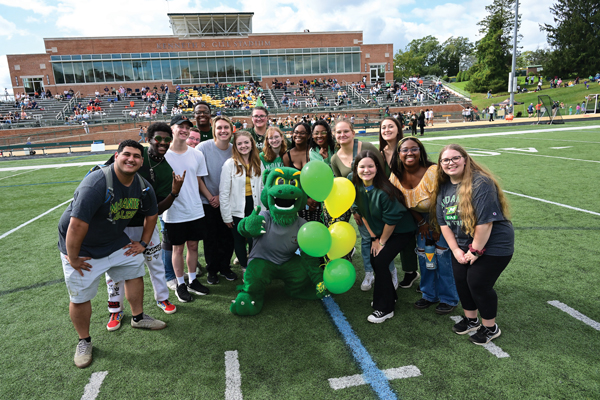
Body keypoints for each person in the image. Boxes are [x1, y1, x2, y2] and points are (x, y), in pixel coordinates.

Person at [58, 140, 165, 368]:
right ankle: (84, 341)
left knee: (134, 270)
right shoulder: (97, 182)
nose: (131, 159)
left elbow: (152, 214)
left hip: (114, 240)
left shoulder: (143, 186)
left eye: (137, 156)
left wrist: (143, 243)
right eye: (126, 154)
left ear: (141, 162)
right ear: (116, 156)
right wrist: (73, 257)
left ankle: (138, 318)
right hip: (82, 247)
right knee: (80, 296)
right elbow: (76, 225)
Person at [105, 123, 184, 331]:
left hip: (146, 224)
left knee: (155, 262)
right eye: (158, 138)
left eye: (167, 139)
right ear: (149, 139)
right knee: (114, 268)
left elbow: (157, 208)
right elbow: (105, 175)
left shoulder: (166, 169)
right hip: (118, 225)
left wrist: (174, 193)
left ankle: (162, 298)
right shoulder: (132, 155)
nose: (163, 143)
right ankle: (115, 309)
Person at [432, 144, 514, 345]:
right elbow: (443, 224)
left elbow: (485, 223)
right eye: (445, 160)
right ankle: (471, 320)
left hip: (494, 243)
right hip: (463, 243)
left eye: (455, 158)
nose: (450, 163)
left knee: (477, 282)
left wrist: (475, 251)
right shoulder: (443, 187)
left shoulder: (481, 182)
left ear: (465, 160)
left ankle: (490, 328)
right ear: (440, 165)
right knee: (461, 279)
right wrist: (455, 250)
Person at [390, 137, 459, 314]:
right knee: (425, 256)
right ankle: (429, 294)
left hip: (442, 216)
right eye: (405, 150)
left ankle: (449, 298)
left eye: (414, 149)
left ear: (420, 152)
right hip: (420, 220)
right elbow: (405, 203)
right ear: (399, 154)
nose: (409, 153)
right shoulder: (395, 175)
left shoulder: (433, 171)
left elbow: (443, 201)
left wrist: (436, 226)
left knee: (442, 256)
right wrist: (421, 222)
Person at [352, 150, 417, 323]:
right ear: (356, 168)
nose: (366, 170)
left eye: (370, 166)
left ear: (377, 167)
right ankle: (389, 296)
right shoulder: (357, 188)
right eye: (362, 166)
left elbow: (392, 221)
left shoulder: (384, 191)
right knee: (375, 259)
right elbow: (363, 214)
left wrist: (381, 242)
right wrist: (374, 238)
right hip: (382, 232)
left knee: (380, 260)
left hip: (401, 231)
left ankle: (385, 308)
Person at [330, 119, 394, 288]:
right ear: (334, 135)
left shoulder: (367, 147)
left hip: (378, 201)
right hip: (359, 206)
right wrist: (354, 209)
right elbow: (342, 187)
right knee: (366, 239)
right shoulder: (335, 159)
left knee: (383, 238)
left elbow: (383, 172)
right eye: (338, 132)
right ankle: (369, 272)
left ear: (353, 132)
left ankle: (391, 272)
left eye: (346, 131)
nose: (342, 135)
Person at [163, 115, 211, 303]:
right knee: (177, 249)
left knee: (193, 246)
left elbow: (198, 180)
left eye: (187, 127)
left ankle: (192, 280)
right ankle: (180, 284)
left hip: (195, 209)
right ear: (172, 129)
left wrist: (209, 197)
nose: (184, 130)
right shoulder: (164, 155)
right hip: (173, 210)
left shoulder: (197, 155)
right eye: (180, 126)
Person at [378, 117, 419, 289]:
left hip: (411, 198)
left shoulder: (406, 147)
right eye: (383, 127)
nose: (387, 130)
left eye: (390, 126)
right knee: (398, 234)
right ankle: (407, 271)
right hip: (391, 201)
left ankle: (417, 273)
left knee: (414, 236)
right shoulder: (380, 153)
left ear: (398, 129)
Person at [197, 116, 237, 284]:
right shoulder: (203, 148)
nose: (223, 131)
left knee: (228, 236)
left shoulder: (235, 149)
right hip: (208, 201)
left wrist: (222, 197)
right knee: (211, 237)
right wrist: (210, 197)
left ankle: (225, 267)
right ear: (214, 130)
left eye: (226, 127)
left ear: (231, 130)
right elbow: (197, 176)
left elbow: (238, 176)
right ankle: (212, 269)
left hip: (228, 200)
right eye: (219, 127)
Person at [219, 131, 265, 272]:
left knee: (254, 239)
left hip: (254, 206)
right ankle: (245, 268)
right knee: (239, 239)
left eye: (246, 142)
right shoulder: (229, 164)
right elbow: (224, 192)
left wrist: (263, 211)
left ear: (252, 144)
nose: (243, 146)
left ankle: (252, 265)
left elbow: (263, 188)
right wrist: (226, 216)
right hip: (237, 208)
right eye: (239, 143)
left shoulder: (258, 162)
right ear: (235, 146)